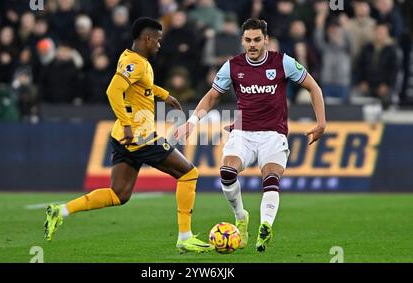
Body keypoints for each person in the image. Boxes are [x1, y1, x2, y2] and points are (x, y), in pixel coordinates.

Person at [43, 17, 214, 254]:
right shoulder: (137, 63)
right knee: (189, 174)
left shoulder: (129, 58)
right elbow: (113, 90)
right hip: (139, 136)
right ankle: (184, 237)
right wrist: (126, 124)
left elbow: (141, 87)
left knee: (119, 194)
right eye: (158, 40)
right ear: (148, 39)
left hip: (123, 137)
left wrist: (163, 95)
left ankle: (60, 210)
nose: (159, 45)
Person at [174, 18, 326, 252]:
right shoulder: (232, 66)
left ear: (266, 40)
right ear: (242, 41)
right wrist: (192, 121)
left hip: (273, 134)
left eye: (257, 40)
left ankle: (265, 226)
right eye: (248, 40)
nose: (252, 45)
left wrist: (321, 123)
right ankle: (240, 216)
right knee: (226, 172)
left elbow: (313, 87)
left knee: (271, 178)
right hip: (243, 132)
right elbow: (212, 96)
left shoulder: (283, 62)